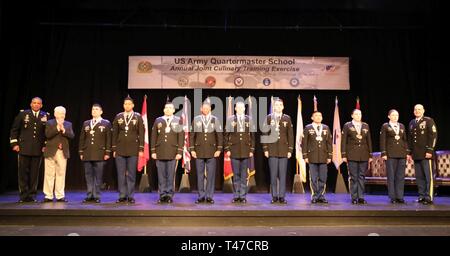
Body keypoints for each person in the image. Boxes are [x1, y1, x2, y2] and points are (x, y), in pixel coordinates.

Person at [9, 97, 49, 203]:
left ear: (41, 105)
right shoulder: (23, 114)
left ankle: (32, 195)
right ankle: (23, 195)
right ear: (31, 104)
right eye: (34, 103)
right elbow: (14, 129)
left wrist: (45, 145)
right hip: (23, 148)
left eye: (38, 103)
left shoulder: (46, 115)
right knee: (22, 173)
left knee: (34, 174)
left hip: (38, 149)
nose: (36, 105)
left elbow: (47, 133)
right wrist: (14, 144)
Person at [112, 96, 144, 204]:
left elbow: (141, 133)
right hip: (120, 149)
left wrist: (141, 149)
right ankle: (122, 195)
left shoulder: (137, 117)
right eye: (125, 104)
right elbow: (114, 134)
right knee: (120, 174)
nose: (127, 106)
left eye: (129, 104)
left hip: (133, 149)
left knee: (131, 174)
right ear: (123, 105)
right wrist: (114, 148)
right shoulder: (118, 116)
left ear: (133, 105)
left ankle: (130, 196)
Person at [190, 100, 223, 204]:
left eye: (207, 108)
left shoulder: (215, 119)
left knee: (211, 175)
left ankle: (209, 196)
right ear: (201, 109)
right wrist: (192, 149)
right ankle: (201, 196)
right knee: (199, 174)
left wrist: (219, 149)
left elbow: (219, 135)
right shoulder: (196, 119)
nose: (205, 109)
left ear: (210, 109)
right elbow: (192, 135)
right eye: (203, 108)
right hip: (198, 150)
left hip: (212, 151)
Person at [262, 98, 294, 204]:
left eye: (280, 105)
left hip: (284, 150)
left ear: (283, 107)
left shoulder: (287, 118)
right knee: (273, 174)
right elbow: (265, 134)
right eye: (277, 105)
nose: (278, 106)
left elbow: (290, 135)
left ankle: (282, 196)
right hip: (272, 150)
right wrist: (265, 149)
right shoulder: (268, 118)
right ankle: (274, 196)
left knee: (283, 174)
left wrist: (290, 150)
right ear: (274, 107)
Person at [150, 102, 183, 204]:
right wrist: (153, 151)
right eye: (166, 108)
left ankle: (169, 195)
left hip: (173, 152)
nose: (168, 109)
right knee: (161, 175)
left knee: (170, 175)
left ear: (173, 110)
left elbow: (180, 137)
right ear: (164, 110)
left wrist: (179, 151)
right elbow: (154, 136)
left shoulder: (178, 121)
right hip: (160, 151)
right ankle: (162, 195)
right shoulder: (158, 120)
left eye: (170, 108)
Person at [78, 104, 112, 203]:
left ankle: (96, 195)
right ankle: (89, 195)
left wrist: (107, 152)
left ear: (101, 112)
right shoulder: (86, 123)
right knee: (88, 175)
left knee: (98, 176)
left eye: (96, 109)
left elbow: (108, 139)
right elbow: (82, 139)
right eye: (93, 109)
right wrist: (81, 151)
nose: (94, 111)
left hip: (100, 153)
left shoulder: (106, 123)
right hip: (87, 153)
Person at [224, 101, 255, 204]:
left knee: (243, 175)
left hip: (246, 151)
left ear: (244, 109)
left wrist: (251, 150)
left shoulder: (249, 119)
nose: (240, 109)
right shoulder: (230, 119)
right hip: (234, 151)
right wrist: (227, 149)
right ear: (235, 108)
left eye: (242, 107)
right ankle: (236, 195)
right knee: (236, 174)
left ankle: (243, 196)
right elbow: (225, 136)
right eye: (238, 107)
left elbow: (253, 136)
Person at [43, 106, 74, 202]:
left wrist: (64, 130)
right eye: (59, 113)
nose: (61, 115)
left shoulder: (68, 124)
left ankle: (60, 195)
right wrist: (57, 128)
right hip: (51, 151)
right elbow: (47, 135)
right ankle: (48, 195)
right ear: (55, 114)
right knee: (49, 174)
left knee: (61, 173)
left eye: (63, 113)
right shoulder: (49, 123)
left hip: (62, 152)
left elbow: (72, 135)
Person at [408, 104, 437, 205]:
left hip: (426, 154)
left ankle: (429, 197)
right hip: (416, 154)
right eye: (415, 109)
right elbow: (410, 139)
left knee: (428, 176)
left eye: (419, 109)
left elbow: (433, 136)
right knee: (419, 177)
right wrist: (409, 152)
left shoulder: (428, 120)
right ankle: (421, 196)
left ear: (423, 110)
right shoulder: (412, 122)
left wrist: (430, 150)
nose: (417, 111)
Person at [341, 109, 372, 205]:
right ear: (352, 115)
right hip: (352, 154)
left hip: (363, 154)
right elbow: (344, 141)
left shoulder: (365, 125)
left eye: (360, 114)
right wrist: (343, 154)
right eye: (356, 114)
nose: (358, 116)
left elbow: (369, 141)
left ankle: (361, 197)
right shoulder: (347, 125)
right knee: (353, 177)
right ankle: (354, 197)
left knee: (361, 176)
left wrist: (370, 155)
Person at [380, 109, 410, 204]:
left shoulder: (402, 126)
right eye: (393, 115)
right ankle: (392, 197)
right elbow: (382, 140)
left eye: (397, 115)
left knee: (400, 176)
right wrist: (384, 153)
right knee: (391, 176)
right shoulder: (385, 126)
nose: (395, 117)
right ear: (389, 116)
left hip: (401, 154)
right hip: (390, 154)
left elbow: (405, 140)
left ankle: (400, 196)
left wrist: (407, 152)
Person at [302, 111, 332, 204]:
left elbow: (329, 143)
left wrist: (329, 155)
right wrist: (305, 156)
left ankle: (321, 196)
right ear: (312, 117)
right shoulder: (308, 128)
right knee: (313, 178)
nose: (318, 117)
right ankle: (315, 196)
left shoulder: (326, 128)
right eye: (316, 115)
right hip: (312, 156)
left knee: (323, 177)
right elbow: (304, 143)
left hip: (323, 156)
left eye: (320, 115)